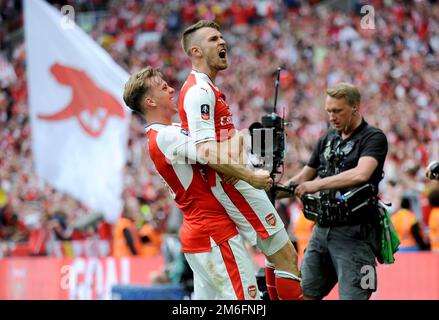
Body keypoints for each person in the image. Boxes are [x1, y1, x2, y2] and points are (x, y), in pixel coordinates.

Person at [178, 20, 302, 300]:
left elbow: (220, 142)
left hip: (233, 180)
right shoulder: (200, 92)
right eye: (213, 39)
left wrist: (248, 139)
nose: (222, 42)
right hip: (233, 183)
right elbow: (206, 151)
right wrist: (250, 176)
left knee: (277, 258)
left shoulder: (207, 88)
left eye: (222, 37)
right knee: (287, 258)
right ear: (195, 52)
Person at [123, 66, 270, 300]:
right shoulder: (166, 136)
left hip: (199, 234)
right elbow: (212, 154)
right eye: (163, 87)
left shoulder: (167, 131)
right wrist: (251, 174)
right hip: (213, 233)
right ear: (150, 101)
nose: (172, 89)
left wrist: (239, 138)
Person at [283, 82, 388, 300]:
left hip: (356, 234)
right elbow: (302, 179)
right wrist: (272, 190)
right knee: (303, 295)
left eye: (338, 111)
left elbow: (362, 174)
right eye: (329, 111)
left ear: (355, 108)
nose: (332, 116)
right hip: (321, 231)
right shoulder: (326, 139)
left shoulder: (373, 138)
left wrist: (319, 184)